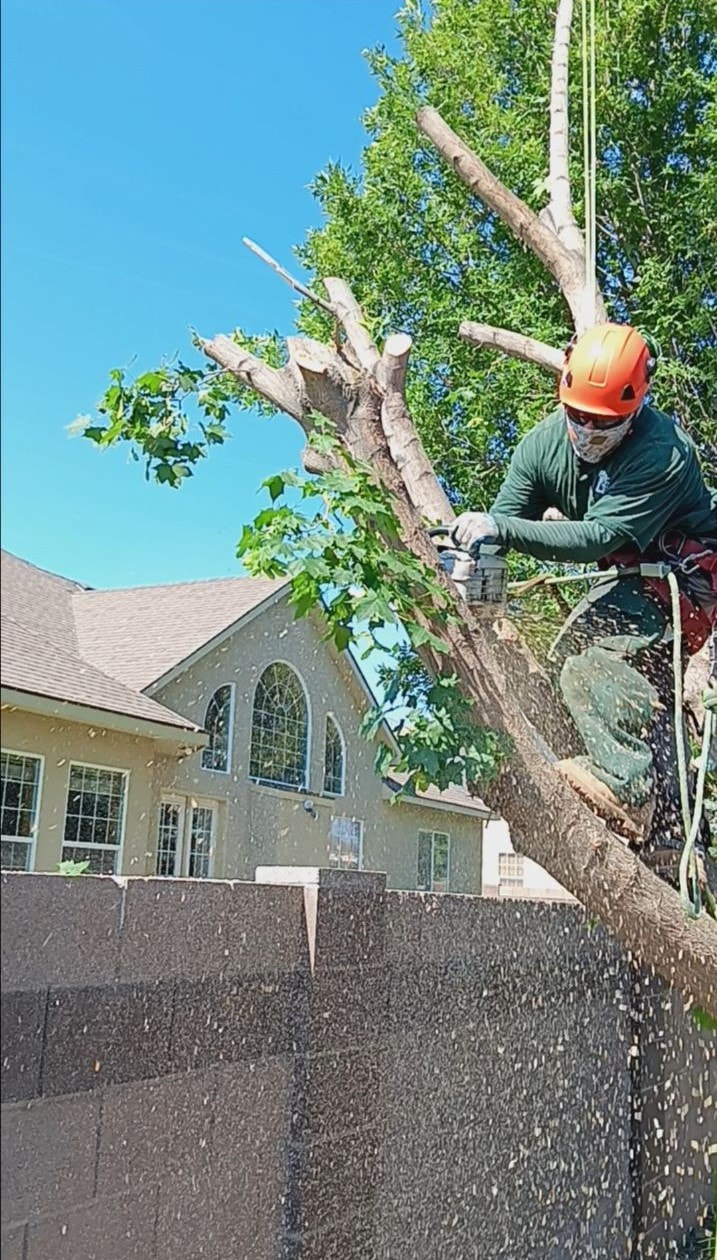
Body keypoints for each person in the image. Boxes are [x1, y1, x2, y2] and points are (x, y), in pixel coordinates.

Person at [452, 323, 717, 878]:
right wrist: (480, 586)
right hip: (623, 576)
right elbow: (503, 526)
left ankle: (627, 788)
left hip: (679, 578)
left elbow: (596, 538)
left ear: (634, 409)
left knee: (587, 661)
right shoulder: (543, 446)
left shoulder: (663, 451)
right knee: (595, 680)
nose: (588, 431)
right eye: (579, 416)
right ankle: (668, 828)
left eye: (605, 423)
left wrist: (500, 527)